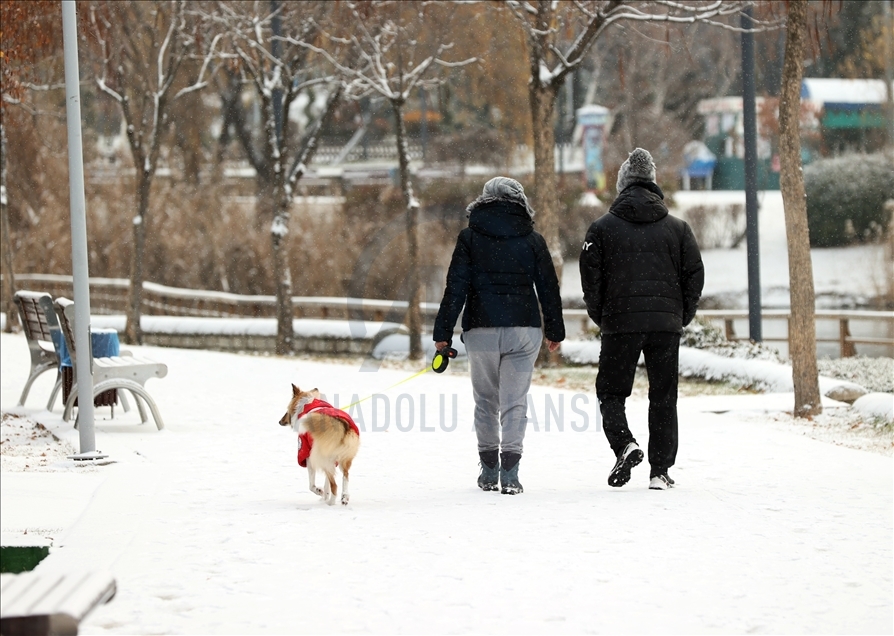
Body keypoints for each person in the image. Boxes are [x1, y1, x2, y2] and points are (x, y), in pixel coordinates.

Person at [579, 148, 704, 490]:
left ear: (621, 185)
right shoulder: (678, 229)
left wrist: (601, 315)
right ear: (653, 183)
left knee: (611, 391)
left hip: (619, 322)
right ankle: (660, 471)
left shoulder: (601, 229)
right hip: (665, 324)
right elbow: (694, 274)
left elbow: (590, 278)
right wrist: (681, 314)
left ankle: (624, 444)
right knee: (663, 395)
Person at [433, 176, 565, 495]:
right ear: (520, 202)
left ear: (483, 201)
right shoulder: (533, 239)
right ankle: (511, 473)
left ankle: (489, 470)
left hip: (481, 329)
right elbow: (548, 287)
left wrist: (443, 333)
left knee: (486, 401)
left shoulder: (469, 238)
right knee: (514, 403)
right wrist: (555, 330)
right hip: (524, 329)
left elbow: (456, 287)